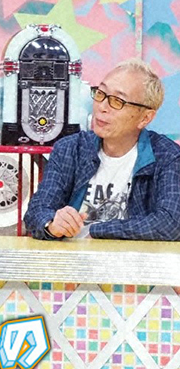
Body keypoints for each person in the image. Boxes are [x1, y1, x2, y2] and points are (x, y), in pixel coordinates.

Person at [24, 58, 180, 241]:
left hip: (131, 257)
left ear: (145, 118)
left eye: (117, 101)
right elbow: (37, 211)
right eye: (101, 93)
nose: (102, 107)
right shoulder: (70, 149)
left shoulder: (167, 156)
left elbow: (171, 223)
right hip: (72, 257)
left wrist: (96, 230)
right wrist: (52, 224)